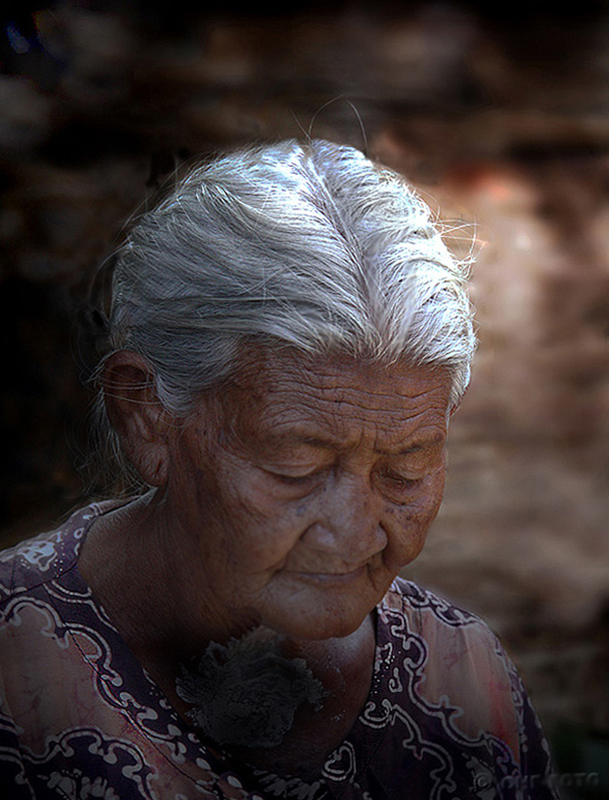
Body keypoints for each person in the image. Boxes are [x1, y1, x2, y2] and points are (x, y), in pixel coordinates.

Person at [0, 139, 559, 800]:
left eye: (404, 468)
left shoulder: (461, 678)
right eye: (296, 467)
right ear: (147, 415)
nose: (355, 536)